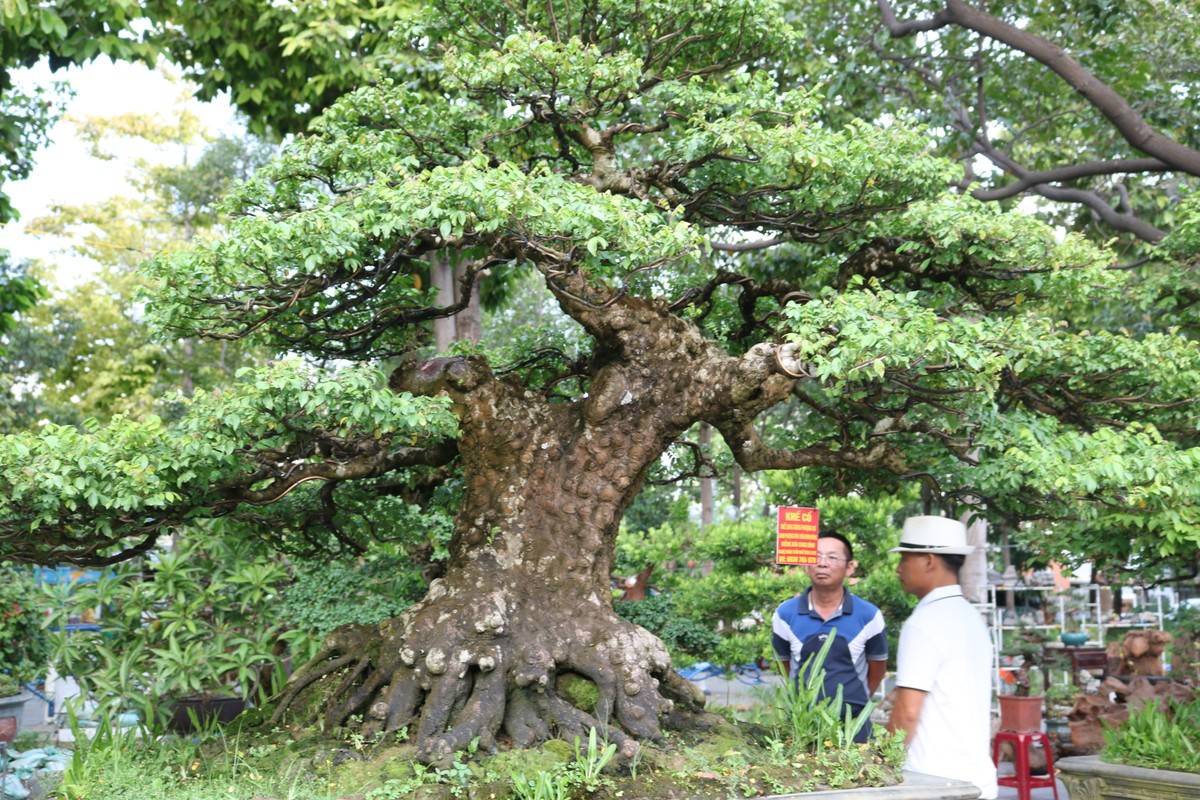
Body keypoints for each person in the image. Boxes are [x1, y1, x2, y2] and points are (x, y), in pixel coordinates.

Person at [886, 515, 998, 799]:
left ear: (929, 560)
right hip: (978, 780)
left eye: (905, 559)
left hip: (934, 783)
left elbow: (908, 712)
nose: (899, 569)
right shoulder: (972, 618)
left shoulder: (924, 622)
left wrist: (884, 765)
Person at [771, 530, 888, 742]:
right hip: (802, 726)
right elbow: (785, 667)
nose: (822, 563)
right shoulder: (784, 615)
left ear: (850, 567)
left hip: (854, 727)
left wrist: (853, 702)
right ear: (806, 564)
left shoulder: (869, 616)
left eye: (832, 557)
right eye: (815, 556)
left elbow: (877, 671)